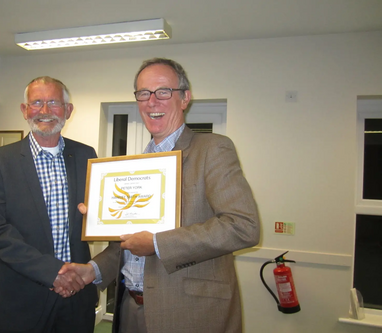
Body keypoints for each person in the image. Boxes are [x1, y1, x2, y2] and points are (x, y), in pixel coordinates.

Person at [58, 58, 261, 333]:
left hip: (191, 313)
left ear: (185, 98)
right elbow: (126, 244)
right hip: (129, 308)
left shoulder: (213, 149)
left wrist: (157, 243)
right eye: (144, 93)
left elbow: (243, 227)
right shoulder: (133, 167)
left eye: (163, 91)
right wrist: (93, 268)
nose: (152, 101)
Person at [0, 76, 98, 333]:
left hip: (78, 297)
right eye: (37, 103)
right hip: (21, 297)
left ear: (68, 110)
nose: (45, 111)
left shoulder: (86, 156)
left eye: (54, 102)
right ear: (24, 110)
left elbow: (98, 215)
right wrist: (53, 272)